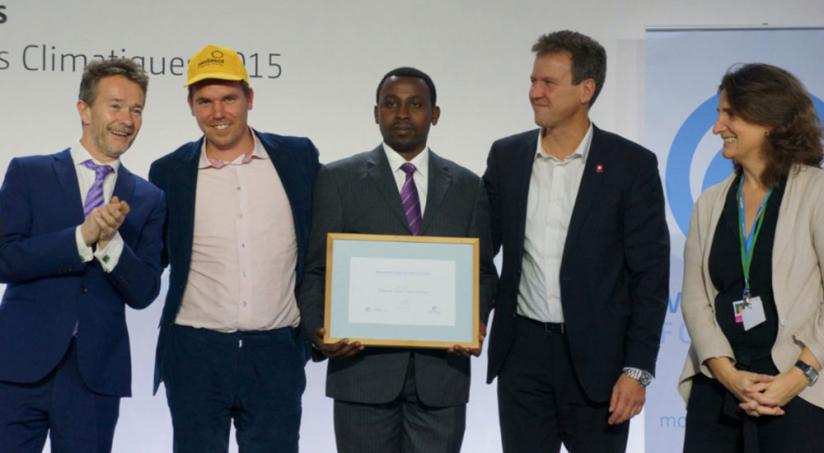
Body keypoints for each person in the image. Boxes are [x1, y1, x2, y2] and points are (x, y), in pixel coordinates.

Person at [483, 30, 670, 452]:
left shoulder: (631, 166)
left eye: (548, 83)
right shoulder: (506, 157)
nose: (535, 93)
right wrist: (467, 315)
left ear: (587, 89)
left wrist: (637, 370)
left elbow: (650, 278)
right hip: (523, 357)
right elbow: (479, 249)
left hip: (600, 365)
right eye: (533, 81)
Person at [298, 67, 497, 453]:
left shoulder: (469, 187)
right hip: (361, 374)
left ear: (434, 114)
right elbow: (317, 269)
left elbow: (484, 272)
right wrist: (319, 330)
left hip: (441, 377)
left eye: (415, 104)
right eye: (391, 104)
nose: (402, 114)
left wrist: (475, 321)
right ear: (376, 113)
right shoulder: (337, 179)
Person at [148, 44, 320, 453]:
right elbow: (151, 260)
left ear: (250, 98)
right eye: (204, 101)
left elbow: (324, 247)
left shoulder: (298, 157)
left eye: (229, 98)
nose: (218, 112)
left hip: (276, 352)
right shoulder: (168, 171)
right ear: (190, 106)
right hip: (194, 353)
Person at [0, 59, 165, 453]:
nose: (127, 119)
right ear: (83, 109)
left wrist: (110, 244)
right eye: (115, 105)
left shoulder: (148, 198)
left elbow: (144, 292)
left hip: (95, 376)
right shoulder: (29, 173)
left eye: (137, 109)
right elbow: (5, 258)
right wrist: (81, 237)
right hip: (20, 366)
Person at [679, 63, 824, 452]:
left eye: (731, 114)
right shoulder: (710, 203)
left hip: (801, 394)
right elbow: (694, 300)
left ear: (770, 122)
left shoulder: (816, 192)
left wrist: (799, 375)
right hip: (720, 392)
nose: (716, 127)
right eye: (718, 114)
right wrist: (728, 375)